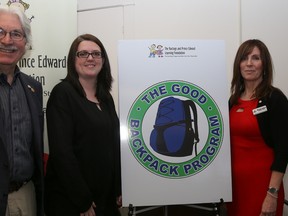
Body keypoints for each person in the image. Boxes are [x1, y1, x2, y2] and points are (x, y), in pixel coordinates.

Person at [44, 34, 122, 216]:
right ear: (73, 60)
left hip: (105, 199)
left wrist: (118, 187)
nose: (90, 58)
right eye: (83, 54)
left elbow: (114, 144)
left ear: (103, 60)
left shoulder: (106, 97)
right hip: (74, 202)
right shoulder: (62, 94)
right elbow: (62, 154)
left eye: (96, 53)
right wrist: (83, 201)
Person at [227, 39, 288, 216]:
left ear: (265, 65)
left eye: (256, 58)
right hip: (234, 190)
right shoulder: (232, 101)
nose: (249, 63)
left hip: (262, 188)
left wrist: (272, 194)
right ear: (238, 64)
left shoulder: (275, 99)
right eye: (244, 58)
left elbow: (283, 150)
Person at [0, 5, 44, 216]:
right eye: (0, 32)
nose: (7, 40)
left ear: (25, 43)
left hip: (25, 196)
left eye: (16, 34)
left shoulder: (33, 88)